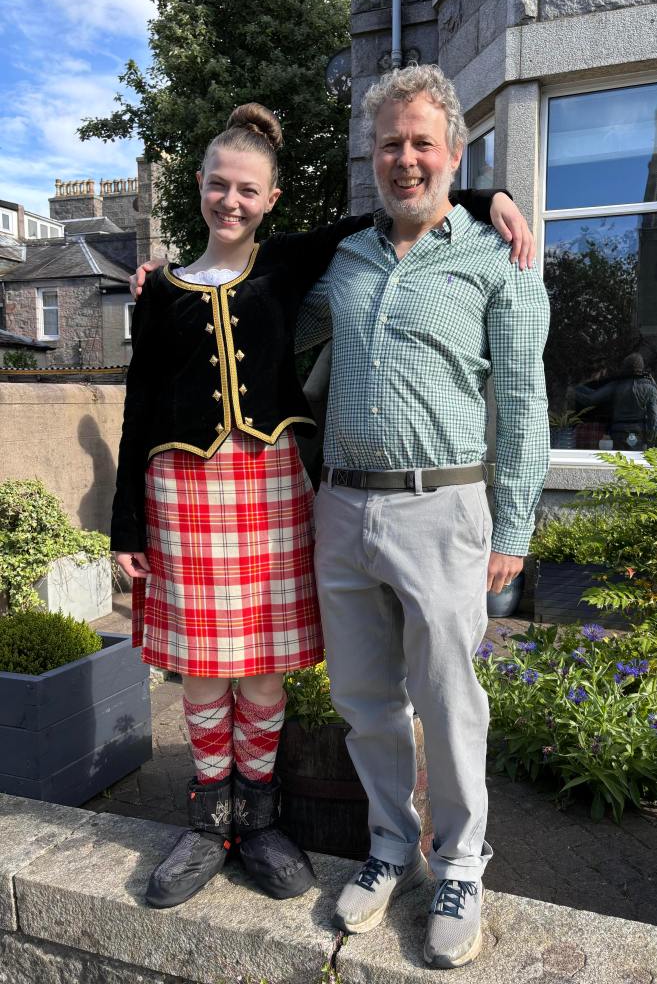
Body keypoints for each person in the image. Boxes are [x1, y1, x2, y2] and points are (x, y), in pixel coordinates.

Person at [118, 102, 535, 912]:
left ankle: (278, 823)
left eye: (248, 189)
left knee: (277, 672)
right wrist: (124, 525)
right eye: (217, 185)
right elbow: (137, 407)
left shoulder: (293, 262)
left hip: (288, 492)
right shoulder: (169, 287)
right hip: (205, 496)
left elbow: (414, 194)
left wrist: (492, 199)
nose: (231, 201)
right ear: (198, 188)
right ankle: (214, 821)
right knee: (218, 674)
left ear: (272, 198)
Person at [298, 65, 550, 970]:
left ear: (452, 153)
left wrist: (514, 527)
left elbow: (523, 402)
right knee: (363, 699)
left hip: (444, 508)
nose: (405, 159)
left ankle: (463, 862)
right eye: (389, 144)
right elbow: (256, 305)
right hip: (341, 505)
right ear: (372, 155)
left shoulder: (498, 261)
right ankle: (392, 845)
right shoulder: (345, 261)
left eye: (421, 143)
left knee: (449, 704)